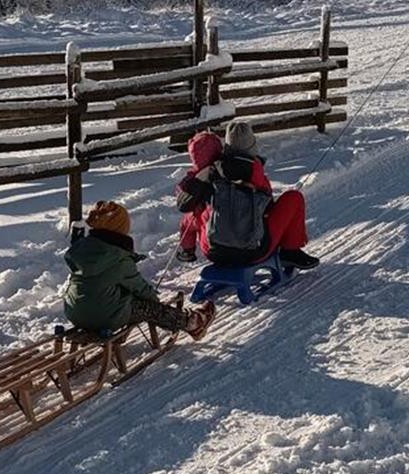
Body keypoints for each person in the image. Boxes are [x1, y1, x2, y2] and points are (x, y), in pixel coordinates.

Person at [176, 120, 319, 269]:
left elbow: (185, 207)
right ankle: (291, 251)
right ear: (252, 146)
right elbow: (267, 207)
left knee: (200, 211)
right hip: (253, 251)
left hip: (214, 252)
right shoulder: (255, 172)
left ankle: (188, 251)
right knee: (293, 198)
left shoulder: (210, 172)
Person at [63, 200, 214, 339]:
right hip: (105, 315)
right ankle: (192, 323)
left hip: (74, 312)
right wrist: (155, 301)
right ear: (119, 229)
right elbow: (138, 287)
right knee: (147, 308)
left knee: (110, 294)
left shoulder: (82, 250)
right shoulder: (118, 257)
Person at [174, 130, 223, 263]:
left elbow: (183, 197)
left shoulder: (196, 177)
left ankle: (187, 250)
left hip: (204, 219)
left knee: (186, 223)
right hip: (222, 219)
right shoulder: (224, 169)